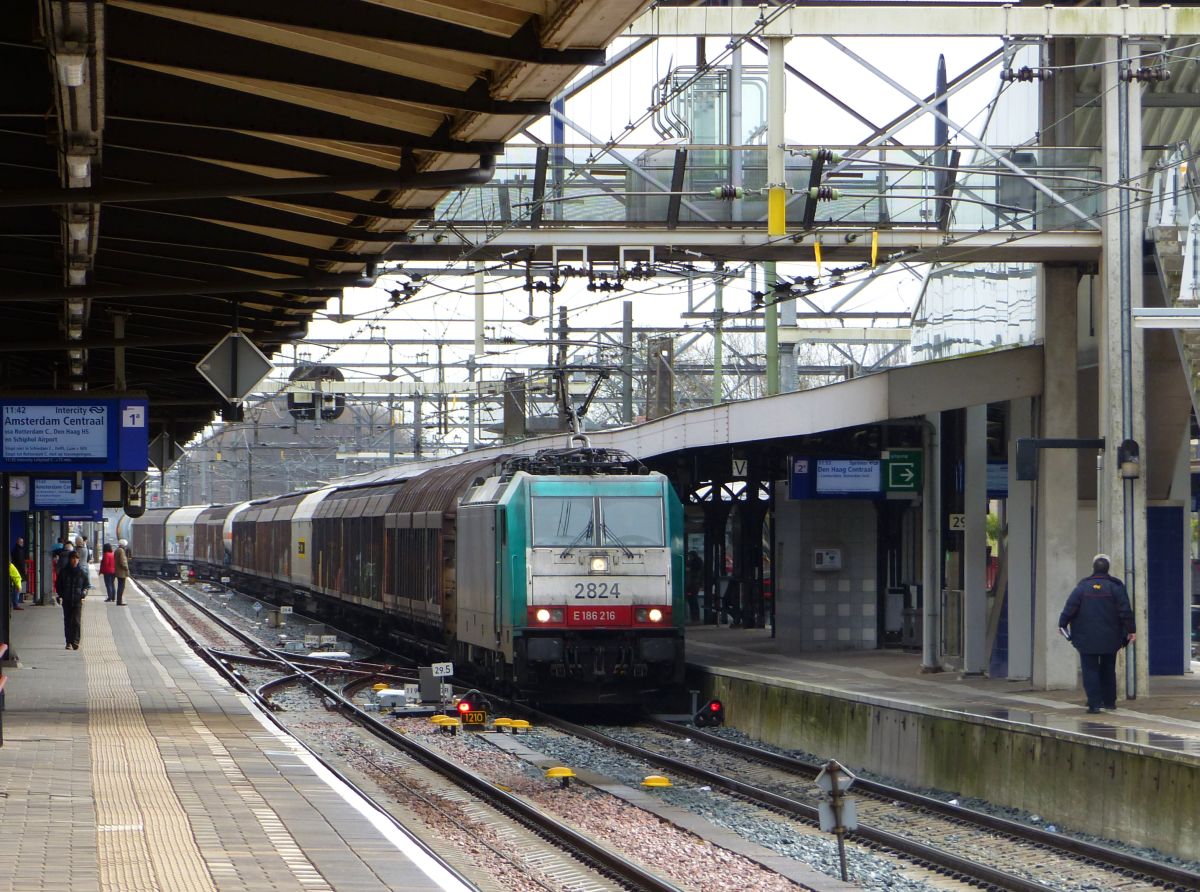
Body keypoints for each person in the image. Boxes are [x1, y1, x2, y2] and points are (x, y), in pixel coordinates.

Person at [1058, 553, 1137, 714]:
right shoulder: (1116, 587)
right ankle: (1109, 702)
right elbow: (1125, 612)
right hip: (1111, 638)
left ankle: (1094, 704)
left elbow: (1069, 610)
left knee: (1090, 670)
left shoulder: (1081, 588)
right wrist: (1131, 631)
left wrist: (1064, 627)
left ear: (1093, 567)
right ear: (1108, 568)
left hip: (1086, 639)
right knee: (1108, 668)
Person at [55, 549, 89, 650]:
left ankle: (76, 641)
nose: (75, 560)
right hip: (67, 600)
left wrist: (83, 594)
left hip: (77, 600)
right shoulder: (64, 572)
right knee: (68, 621)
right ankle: (68, 642)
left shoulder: (81, 573)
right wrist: (61, 595)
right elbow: (58, 585)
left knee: (76, 621)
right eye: (73, 558)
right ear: (70, 559)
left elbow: (86, 586)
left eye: (76, 558)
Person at [684, 550, 702, 623]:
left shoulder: (694, 564)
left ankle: (694, 617)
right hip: (694, 585)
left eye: (690, 556)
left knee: (692, 601)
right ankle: (695, 617)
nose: (689, 557)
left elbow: (691, 573)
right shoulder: (699, 563)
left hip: (692, 585)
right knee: (693, 600)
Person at [10, 536, 25, 610]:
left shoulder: (16, 550)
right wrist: (23, 570)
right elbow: (20, 561)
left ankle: (16, 602)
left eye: (22, 542)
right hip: (17, 571)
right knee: (17, 588)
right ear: (18, 542)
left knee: (16, 588)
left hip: (16, 571)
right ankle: (15, 603)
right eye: (20, 542)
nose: (22, 543)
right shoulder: (18, 551)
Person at [114, 539, 130, 605]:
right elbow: (122, 561)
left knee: (120, 586)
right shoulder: (121, 551)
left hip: (118, 570)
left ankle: (119, 601)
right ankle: (119, 601)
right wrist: (126, 567)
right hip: (121, 572)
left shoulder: (117, 550)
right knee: (121, 587)